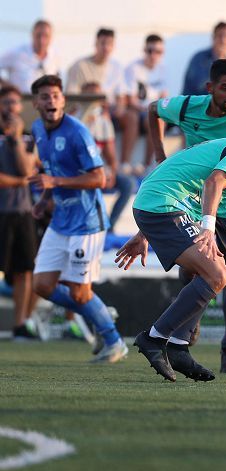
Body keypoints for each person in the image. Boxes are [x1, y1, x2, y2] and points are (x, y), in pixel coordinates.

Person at [115, 100, 226, 382]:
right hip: (163, 205)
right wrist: (208, 228)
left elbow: (181, 176)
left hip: (159, 202)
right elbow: (213, 182)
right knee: (217, 273)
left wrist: (143, 232)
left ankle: (179, 346)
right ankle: (155, 338)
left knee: (213, 269)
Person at [149, 59, 226, 373]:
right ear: (210, 88)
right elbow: (153, 110)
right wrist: (160, 156)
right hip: (195, 203)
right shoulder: (188, 106)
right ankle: (184, 331)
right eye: (225, 87)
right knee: (191, 271)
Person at [26, 75, 126, 362]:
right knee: (42, 285)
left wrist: (54, 184)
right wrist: (45, 200)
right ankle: (100, 311)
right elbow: (51, 169)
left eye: (56, 96)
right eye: (45, 97)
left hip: (86, 222)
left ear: (63, 101)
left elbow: (100, 177)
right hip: (60, 219)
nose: (51, 101)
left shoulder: (77, 132)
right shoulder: (37, 128)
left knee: (80, 294)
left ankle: (114, 342)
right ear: (36, 103)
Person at [0, 84, 38, 339]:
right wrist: (21, 181)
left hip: (23, 213)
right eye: (5, 103)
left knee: (26, 270)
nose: (10, 108)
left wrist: (15, 138)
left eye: (14, 103)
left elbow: (27, 171)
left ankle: (20, 324)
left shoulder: (26, 138)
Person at [78, 82, 134, 230]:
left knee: (128, 184)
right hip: (76, 174)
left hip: (95, 172)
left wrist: (112, 173)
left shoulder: (103, 122)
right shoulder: (73, 120)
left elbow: (111, 156)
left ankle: (110, 225)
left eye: (97, 97)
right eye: (90, 97)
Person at [121, 34, 168, 175]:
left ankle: (147, 165)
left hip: (151, 110)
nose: (153, 55)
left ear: (162, 53)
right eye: (150, 51)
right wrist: (148, 108)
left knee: (157, 119)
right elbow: (130, 99)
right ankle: (125, 163)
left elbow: (164, 96)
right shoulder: (133, 68)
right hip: (136, 109)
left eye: (157, 52)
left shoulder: (164, 70)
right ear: (144, 50)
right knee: (132, 118)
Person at [0, 19, 61, 92]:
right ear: (32, 35)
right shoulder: (17, 53)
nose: (41, 40)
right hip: (23, 100)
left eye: (45, 36)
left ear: (51, 37)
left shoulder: (55, 56)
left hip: (44, 101)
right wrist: (6, 86)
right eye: (38, 36)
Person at [182, 21, 226, 96]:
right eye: (220, 35)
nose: (223, 40)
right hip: (194, 105)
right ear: (213, 37)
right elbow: (201, 86)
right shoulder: (199, 58)